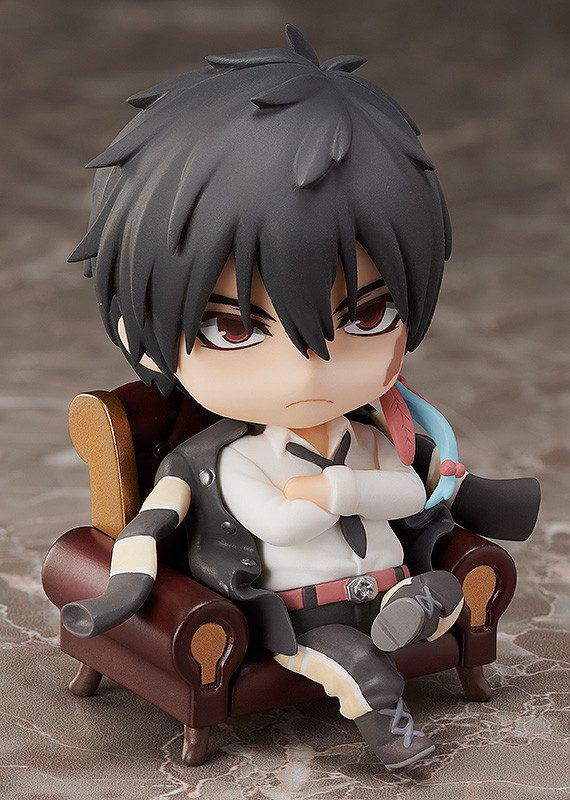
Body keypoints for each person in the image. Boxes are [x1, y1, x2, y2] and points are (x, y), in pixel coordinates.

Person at [63, 26, 540, 770]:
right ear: (143, 333)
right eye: (233, 327)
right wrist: (122, 590)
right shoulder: (214, 463)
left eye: (368, 315)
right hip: (301, 615)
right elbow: (221, 524)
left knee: (439, 589)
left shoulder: (376, 431)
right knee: (359, 663)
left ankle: (412, 617)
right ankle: (393, 734)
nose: (310, 371)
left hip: (390, 585)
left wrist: (346, 488)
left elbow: (407, 495)